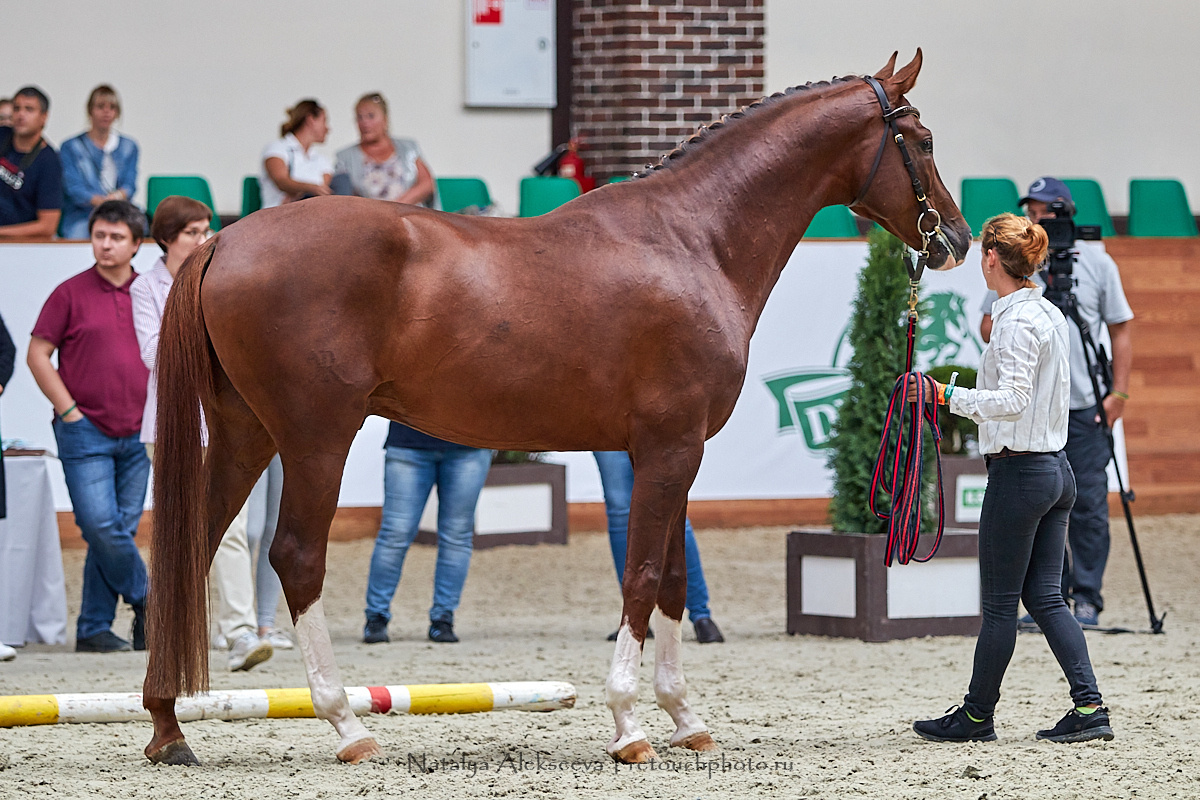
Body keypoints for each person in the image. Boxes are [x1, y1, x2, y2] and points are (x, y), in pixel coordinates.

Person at [912, 213, 1112, 745]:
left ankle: (976, 716)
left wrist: (945, 396)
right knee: (1046, 599)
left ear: (992, 259)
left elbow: (1013, 399)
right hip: (1055, 469)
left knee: (1002, 605)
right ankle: (1089, 706)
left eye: (982, 253)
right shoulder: (1046, 313)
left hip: (1021, 473)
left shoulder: (1016, 323)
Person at [980, 177, 1134, 629]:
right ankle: (1053, 598)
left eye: (1044, 211)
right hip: (1033, 411)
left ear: (1064, 213)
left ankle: (1087, 597)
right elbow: (987, 328)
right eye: (1030, 210)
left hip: (1086, 405)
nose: (1036, 218)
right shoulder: (1015, 267)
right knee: (1041, 506)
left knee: (1087, 502)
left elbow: (1121, 328)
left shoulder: (1099, 263)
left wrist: (1118, 393)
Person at [129, 196, 273, 671]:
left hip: (223, 422)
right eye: (192, 231)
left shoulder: (224, 280)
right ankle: (209, 629)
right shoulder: (145, 287)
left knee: (229, 526)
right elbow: (155, 353)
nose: (203, 238)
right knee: (184, 525)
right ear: (167, 238)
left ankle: (236, 630)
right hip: (169, 426)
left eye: (207, 228)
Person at [26, 200, 150, 653]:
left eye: (117, 237)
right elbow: (38, 354)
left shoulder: (152, 294)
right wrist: (69, 410)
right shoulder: (69, 293)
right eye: (100, 235)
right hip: (84, 430)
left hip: (141, 434)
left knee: (117, 528)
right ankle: (148, 599)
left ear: (137, 244)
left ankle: (94, 627)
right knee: (99, 523)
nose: (105, 244)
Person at [362, 422, 492, 644]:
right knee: (396, 534)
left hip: (470, 444)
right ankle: (376, 616)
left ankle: (443, 617)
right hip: (409, 442)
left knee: (456, 536)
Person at [593, 451, 725, 643]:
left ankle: (700, 613)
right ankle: (639, 615)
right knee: (622, 509)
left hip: (653, 425)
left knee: (664, 510)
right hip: (610, 427)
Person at [59, 85, 140, 239]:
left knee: (140, 229)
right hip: (83, 214)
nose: (106, 112)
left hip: (120, 212)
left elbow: (130, 185)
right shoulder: (71, 147)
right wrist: (102, 202)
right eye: (100, 106)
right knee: (78, 234)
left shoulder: (129, 146)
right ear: (90, 110)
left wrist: (115, 199)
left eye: (112, 107)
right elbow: (73, 188)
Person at [333, 93, 437, 206]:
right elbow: (343, 199)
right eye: (360, 117)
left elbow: (427, 184)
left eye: (371, 116)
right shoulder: (345, 157)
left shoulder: (408, 148)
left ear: (385, 119)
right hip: (369, 221)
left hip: (408, 217)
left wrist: (396, 207)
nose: (365, 123)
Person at [0, 86, 61, 240]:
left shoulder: (49, 162)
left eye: (29, 109)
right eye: (16, 108)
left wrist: (2, 233)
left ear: (44, 117)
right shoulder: (2, 134)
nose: (21, 115)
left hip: (21, 244)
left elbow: (48, 226)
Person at [260, 99, 332, 209]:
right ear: (311, 120)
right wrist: (311, 188)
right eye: (324, 121)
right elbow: (281, 181)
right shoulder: (277, 148)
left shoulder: (321, 159)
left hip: (312, 216)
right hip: (277, 216)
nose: (328, 128)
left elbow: (324, 190)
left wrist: (301, 192)